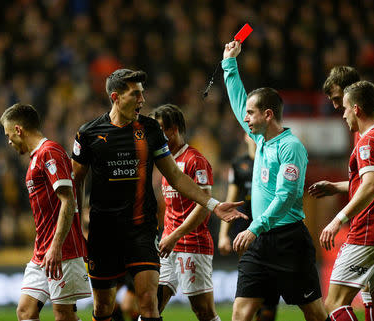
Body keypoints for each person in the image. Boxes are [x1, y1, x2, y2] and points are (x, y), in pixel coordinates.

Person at [71, 68, 246, 321]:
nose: (142, 100)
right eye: (135, 95)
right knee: (103, 309)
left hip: (141, 230)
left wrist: (213, 204)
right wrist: (77, 229)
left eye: (142, 94)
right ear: (115, 97)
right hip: (104, 233)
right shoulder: (88, 134)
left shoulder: (150, 130)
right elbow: (75, 183)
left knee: (149, 305)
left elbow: (176, 176)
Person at [222, 40, 330, 321]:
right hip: (259, 242)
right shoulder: (261, 139)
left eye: (251, 113)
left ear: (267, 114)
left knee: (315, 314)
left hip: (288, 241)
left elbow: (285, 197)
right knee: (241, 312)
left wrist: (255, 227)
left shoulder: (290, 147)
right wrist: (229, 64)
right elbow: (237, 103)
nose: (245, 118)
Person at [310, 65, 374, 321]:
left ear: (354, 102)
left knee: (333, 303)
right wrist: (340, 186)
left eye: (337, 101)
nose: (336, 109)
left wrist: (338, 219)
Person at [0, 103, 91, 321]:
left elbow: (68, 200)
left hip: (62, 250)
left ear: (18, 130)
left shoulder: (50, 152)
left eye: (9, 134)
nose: (9, 141)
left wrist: (56, 245)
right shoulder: (35, 158)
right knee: (25, 311)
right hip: (43, 250)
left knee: (64, 315)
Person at [148, 104, 220, 321]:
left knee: (203, 311)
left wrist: (175, 235)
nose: (156, 135)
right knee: (152, 304)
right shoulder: (165, 161)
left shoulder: (194, 160)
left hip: (192, 243)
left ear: (174, 129)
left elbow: (204, 205)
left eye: (160, 129)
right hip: (168, 244)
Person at [217, 134, 278, 321]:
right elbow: (230, 200)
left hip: (268, 228)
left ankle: (266, 309)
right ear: (245, 136)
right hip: (244, 228)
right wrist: (223, 235)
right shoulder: (238, 165)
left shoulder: (272, 162)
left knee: (270, 277)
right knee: (250, 273)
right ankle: (253, 307)